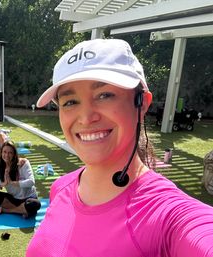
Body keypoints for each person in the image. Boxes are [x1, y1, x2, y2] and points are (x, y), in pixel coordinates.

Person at [26, 39, 213, 256]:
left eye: (104, 95)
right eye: (70, 102)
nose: (86, 118)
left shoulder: (168, 216)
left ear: (141, 103)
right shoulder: (61, 187)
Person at [0, 141, 41, 218]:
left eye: (10, 153)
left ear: (14, 154)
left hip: (28, 198)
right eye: (4, 152)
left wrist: (12, 183)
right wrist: (3, 184)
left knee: (35, 204)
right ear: (1, 153)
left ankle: (8, 210)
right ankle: (22, 210)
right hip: (14, 199)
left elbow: (31, 182)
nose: (7, 155)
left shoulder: (23, 163)